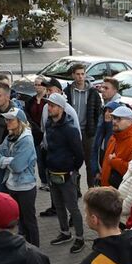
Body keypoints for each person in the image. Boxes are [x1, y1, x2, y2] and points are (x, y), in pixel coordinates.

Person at [44, 93, 87, 254]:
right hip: (52, 172)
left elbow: (79, 154)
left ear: (61, 108)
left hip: (67, 174)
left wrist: (72, 170)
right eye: (49, 105)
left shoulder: (70, 129)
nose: (49, 108)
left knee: (72, 207)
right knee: (59, 205)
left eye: (53, 105)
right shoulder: (49, 123)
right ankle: (65, 233)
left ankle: (80, 237)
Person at [0, 108, 40, 246]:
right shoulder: (9, 137)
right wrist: (10, 160)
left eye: (11, 119)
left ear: (19, 122)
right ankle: (24, 248)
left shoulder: (26, 140)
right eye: (6, 119)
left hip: (25, 188)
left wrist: (6, 160)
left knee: (29, 221)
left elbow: (18, 166)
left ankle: (35, 249)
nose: (7, 122)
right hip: (12, 185)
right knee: (19, 221)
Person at [68, 63, 103, 188]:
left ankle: (91, 189)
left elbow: (98, 111)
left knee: (90, 162)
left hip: (88, 132)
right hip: (72, 131)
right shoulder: (68, 91)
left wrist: (93, 128)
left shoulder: (92, 92)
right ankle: (75, 189)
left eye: (82, 74)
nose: (80, 77)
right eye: (77, 74)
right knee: (73, 162)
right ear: (73, 75)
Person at [101, 105, 132, 189]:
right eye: (114, 118)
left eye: (119, 119)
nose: (114, 121)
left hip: (120, 192)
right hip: (107, 190)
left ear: (130, 121)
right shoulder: (113, 138)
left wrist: (114, 161)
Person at [26, 77, 49, 191]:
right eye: (35, 84)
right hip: (35, 134)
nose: (37, 87)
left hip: (46, 133)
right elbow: (27, 115)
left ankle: (49, 180)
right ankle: (44, 181)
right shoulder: (31, 100)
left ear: (44, 86)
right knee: (39, 159)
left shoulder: (48, 100)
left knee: (47, 158)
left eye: (39, 84)